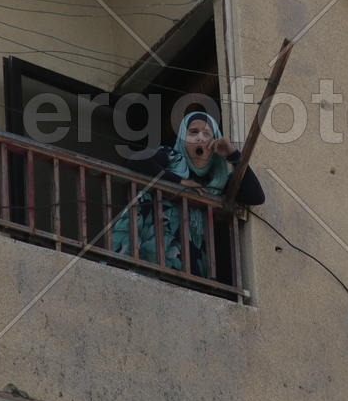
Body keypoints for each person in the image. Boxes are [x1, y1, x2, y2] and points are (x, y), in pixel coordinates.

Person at [112, 111, 265, 277]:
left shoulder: (218, 181)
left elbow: (255, 196)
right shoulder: (172, 158)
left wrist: (233, 154)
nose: (200, 138)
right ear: (182, 139)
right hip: (146, 253)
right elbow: (136, 161)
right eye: (193, 132)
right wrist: (179, 181)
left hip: (188, 270)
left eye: (207, 134)